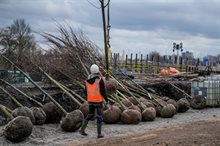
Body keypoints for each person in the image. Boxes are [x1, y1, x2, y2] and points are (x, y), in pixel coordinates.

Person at [79, 64, 108, 138]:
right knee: (99, 117)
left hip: (90, 101)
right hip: (98, 101)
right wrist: (106, 99)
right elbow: (103, 91)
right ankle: (99, 134)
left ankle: (82, 130)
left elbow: (86, 91)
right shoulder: (99, 80)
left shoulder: (86, 80)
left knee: (90, 115)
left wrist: (88, 98)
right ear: (97, 70)